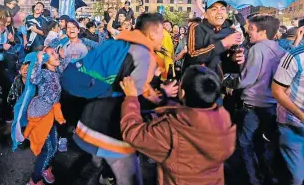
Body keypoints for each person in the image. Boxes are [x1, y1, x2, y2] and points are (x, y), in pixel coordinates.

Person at [61, 13, 178, 185]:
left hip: (89, 119)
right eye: (162, 33)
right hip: (111, 128)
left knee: (101, 166)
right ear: (153, 33)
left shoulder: (116, 43)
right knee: (131, 179)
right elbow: (135, 100)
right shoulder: (144, 55)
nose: (164, 37)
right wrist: (164, 93)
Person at [120, 65, 236, 185]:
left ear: (182, 92)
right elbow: (192, 114)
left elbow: (133, 133)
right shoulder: (223, 119)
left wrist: (131, 98)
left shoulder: (172, 130)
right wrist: (163, 98)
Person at [235, 15, 284, 185]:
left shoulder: (257, 49)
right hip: (273, 104)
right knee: (266, 143)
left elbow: (247, 79)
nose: (248, 32)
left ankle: (254, 178)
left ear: (262, 32)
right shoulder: (280, 50)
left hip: (254, 104)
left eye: (251, 29)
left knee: (245, 142)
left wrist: (229, 80)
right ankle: (269, 175)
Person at [23, 48, 68, 185]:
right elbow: (33, 78)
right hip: (41, 115)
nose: (55, 55)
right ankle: (35, 180)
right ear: (46, 59)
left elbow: (66, 64)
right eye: (52, 53)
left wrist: (63, 55)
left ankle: (46, 168)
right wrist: (38, 60)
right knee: (46, 149)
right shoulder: (43, 72)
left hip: (51, 114)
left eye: (55, 53)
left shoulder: (56, 71)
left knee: (54, 146)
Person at [183, 0, 244, 80]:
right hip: (197, 80)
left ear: (226, 14)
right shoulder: (196, 27)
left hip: (219, 82)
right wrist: (223, 43)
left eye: (222, 9)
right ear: (205, 15)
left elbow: (226, 61)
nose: (219, 12)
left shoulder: (231, 31)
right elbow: (193, 55)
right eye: (214, 9)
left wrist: (234, 58)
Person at [272, 45, 304, 185]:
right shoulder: (295, 56)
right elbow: (277, 91)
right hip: (293, 125)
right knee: (297, 178)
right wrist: (301, 115)